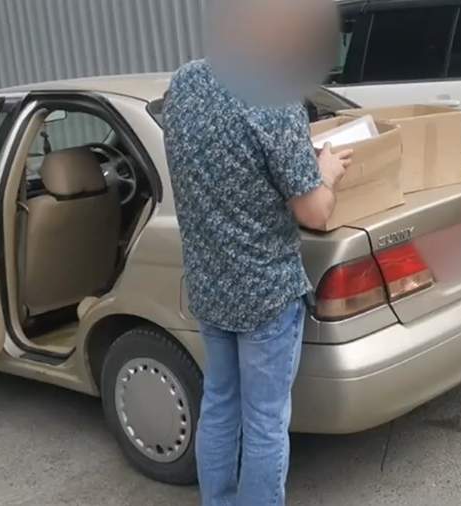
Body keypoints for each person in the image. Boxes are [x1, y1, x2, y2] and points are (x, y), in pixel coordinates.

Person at [163, 59, 352, 506]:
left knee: (219, 404)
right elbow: (315, 212)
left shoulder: (185, 82)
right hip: (266, 291)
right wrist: (325, 172)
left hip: (210, 285)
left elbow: (226, 165)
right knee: (265, 421)